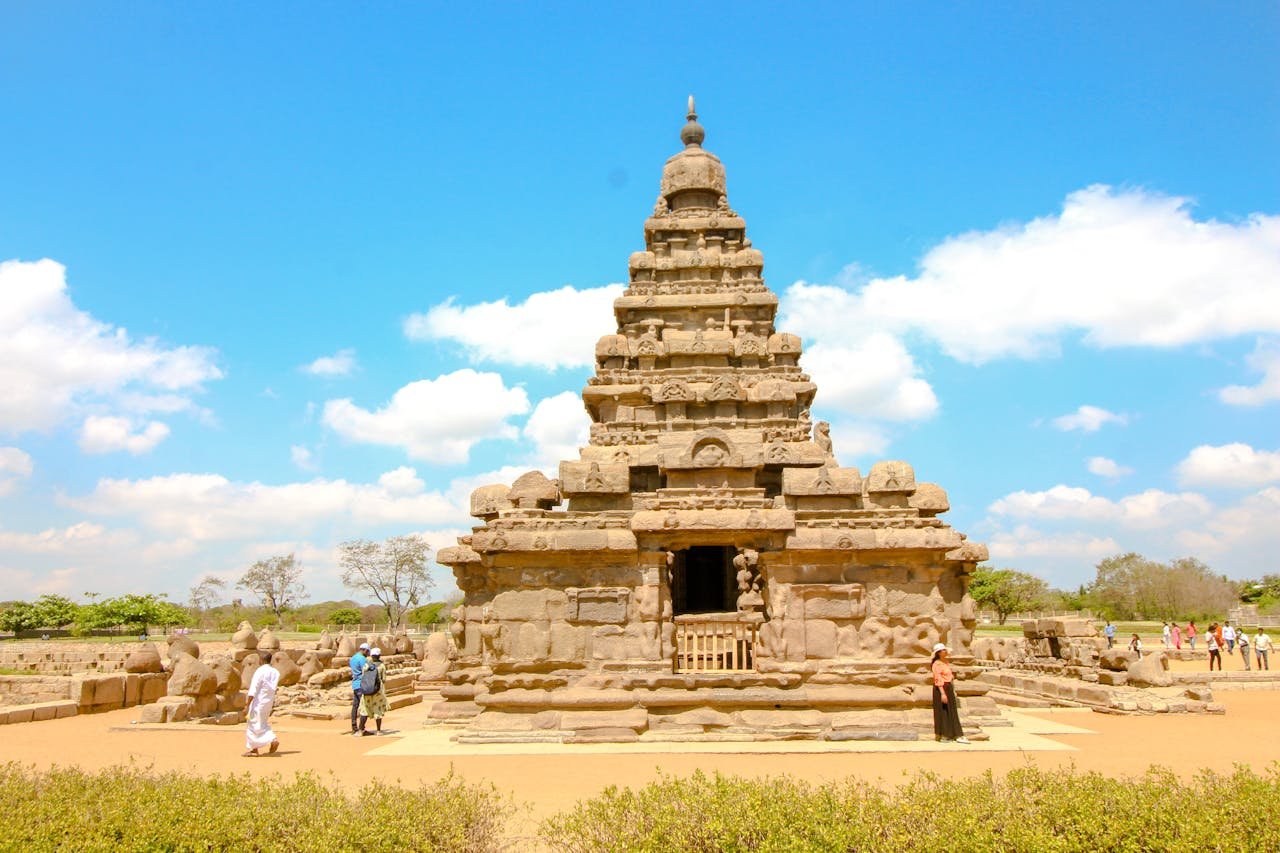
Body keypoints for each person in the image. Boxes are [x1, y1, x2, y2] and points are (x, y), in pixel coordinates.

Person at [243, 650, 280, 757]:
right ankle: (255, 748)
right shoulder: (275, 672)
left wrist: (247, 704)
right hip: (268, 702)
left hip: (258, 702)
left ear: (262, 660)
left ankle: (271, 740)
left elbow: (253, 689)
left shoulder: (260, 671)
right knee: (261, 723)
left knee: (253, 724)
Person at [930, 642, 968, 745]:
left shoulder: (945, 662)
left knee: (952, 711)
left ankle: (955, 733)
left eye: (945, 650)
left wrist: (953, 690)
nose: (945, 651)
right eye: (943, 650)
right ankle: (945, 735)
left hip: (948, 687)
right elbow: (938, 679)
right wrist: (943, 693)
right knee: (944, 712)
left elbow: (949, 677)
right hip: (941, 689)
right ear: (938, 653)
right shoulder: (936, 664)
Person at [358, 647, 388, 736]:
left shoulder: (366, 665)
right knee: (378, 710)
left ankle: (360, 730)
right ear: (379, 656)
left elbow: (363, 675)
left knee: (364, 710)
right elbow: (384, 679)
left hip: (366, 690)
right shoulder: (381, 666)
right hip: (377, 691)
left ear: (371, 656)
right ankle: (378, 730)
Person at [349, 642, 369, 735]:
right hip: (362, 684)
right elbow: (366, 671)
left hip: (355, 684)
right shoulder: (362, 659)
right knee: (364, 706)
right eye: (367, 651)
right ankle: (361, 728)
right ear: (364, 650)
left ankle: (354, 727)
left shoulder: (353, 658)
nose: (368, 654)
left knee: (355, 706)